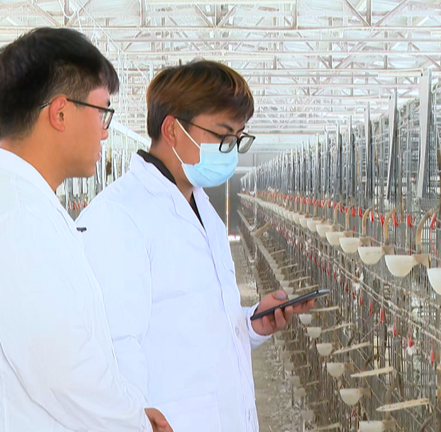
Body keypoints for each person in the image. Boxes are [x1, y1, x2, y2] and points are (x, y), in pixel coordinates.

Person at [0, 27, 171, 432]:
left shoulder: (19, 202)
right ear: (61, 113)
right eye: (102, 112)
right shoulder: (17, 220)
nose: (105, 131)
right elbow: (66, 374)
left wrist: (132, 413)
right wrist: (133, 420)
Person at [77, 60, 314, 432]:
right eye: (223, 134)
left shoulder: (203, 210)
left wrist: (250, 323)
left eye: (237, 138)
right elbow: (114, 349)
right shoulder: (119, 216)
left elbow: (190, 322)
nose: (231, 149)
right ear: (173, 129)